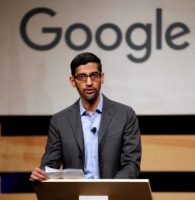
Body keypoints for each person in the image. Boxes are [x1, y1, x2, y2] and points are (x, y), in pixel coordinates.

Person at [30, 52, 141, 181]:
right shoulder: (60, 121)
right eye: (82, 77)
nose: (89, 82)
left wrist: (111, 191)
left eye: (94, 75)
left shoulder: (125, 115)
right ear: (73, 81)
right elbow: (50, 165)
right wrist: (41, 174)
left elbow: (131, 164)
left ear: (102, 78)